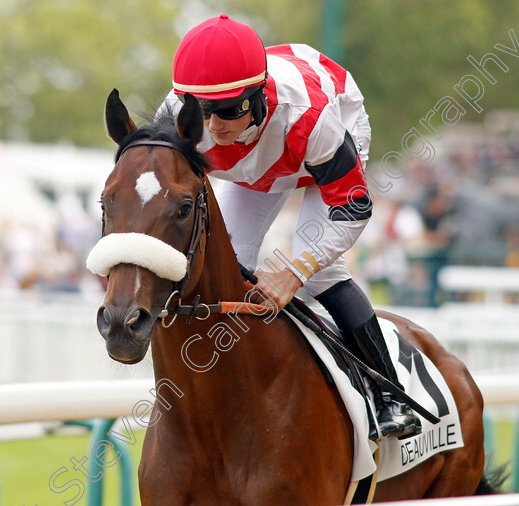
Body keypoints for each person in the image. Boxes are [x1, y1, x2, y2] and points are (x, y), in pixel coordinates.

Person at [161, 14, 420, 438]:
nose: (212, 127)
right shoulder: (176, 110)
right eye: (202, 111)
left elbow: (352, 210)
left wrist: (294, 273)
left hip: (321, 135)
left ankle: (387, 392)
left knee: (319, 271)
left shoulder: (312, 120)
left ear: (256, 96)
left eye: (226, 111)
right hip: (258, 161)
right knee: (228, 260)